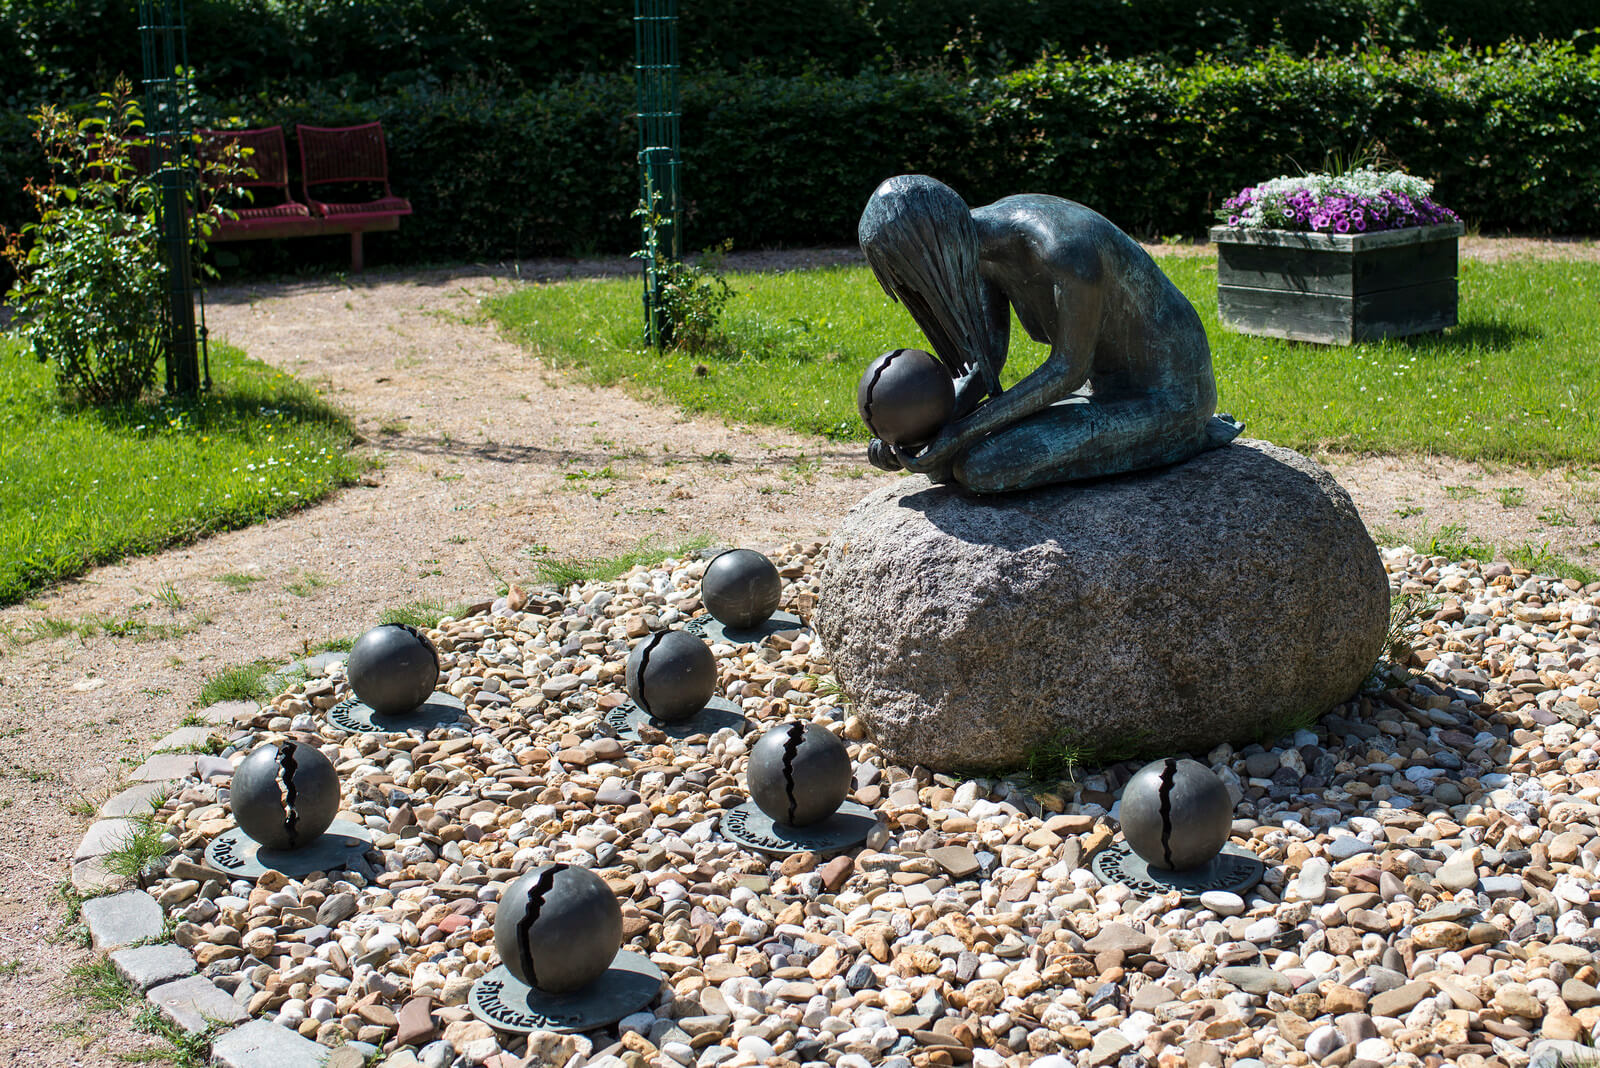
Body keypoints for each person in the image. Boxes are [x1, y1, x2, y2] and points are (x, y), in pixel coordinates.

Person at [859, 174, 1240, 493]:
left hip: (1169, 399)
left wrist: (958, 434)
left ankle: (1187, 436)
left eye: (910, 274)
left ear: (933, 247)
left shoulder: (1062, 249)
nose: (915, 288)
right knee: (941, 466)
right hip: (1101, 393)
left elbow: (1070, 369)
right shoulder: (979, 249)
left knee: (984, 468)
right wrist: (915, 432)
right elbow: (986, 359)